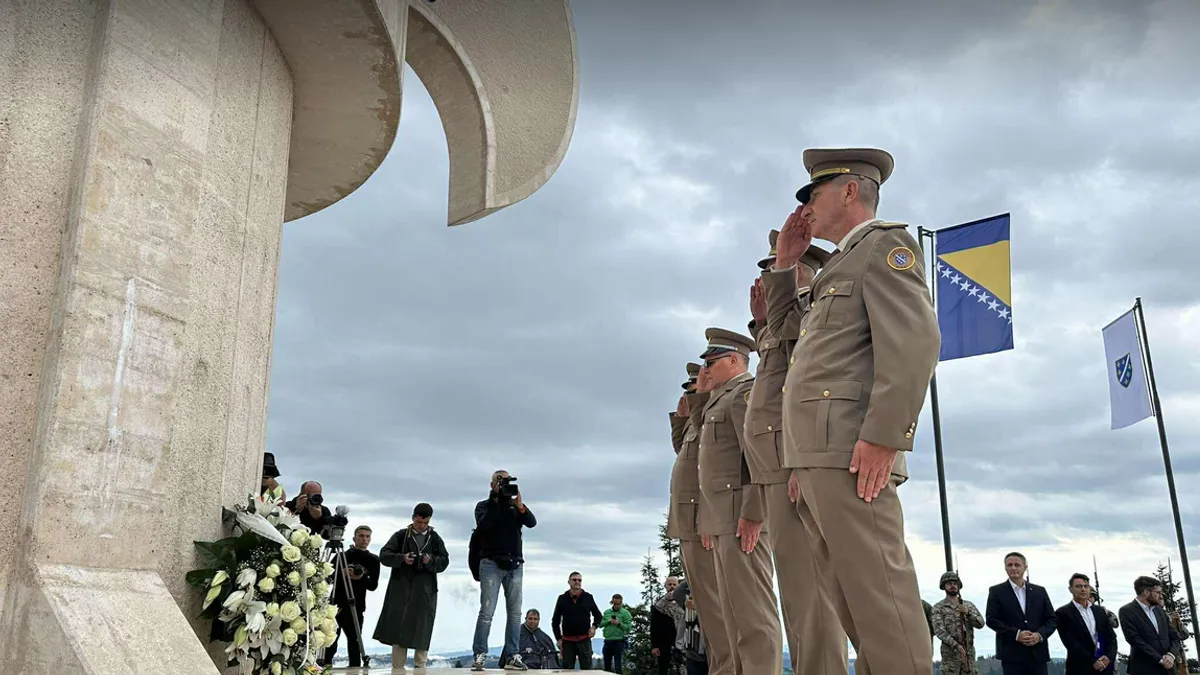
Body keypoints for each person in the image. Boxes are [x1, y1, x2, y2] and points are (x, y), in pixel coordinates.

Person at [777, 147, 939, 675]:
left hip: (853, 450)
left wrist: (885, 436)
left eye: (813, 194)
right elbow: (789, 339)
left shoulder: (884, 245)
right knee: (855, 606)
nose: (805, 208)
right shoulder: (836, 267)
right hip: (819, 455)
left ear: (849, 191)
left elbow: (915, 341)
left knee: (882, 602)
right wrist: (785, 265)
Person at [749, 228, 847, 675]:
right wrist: (761, 324)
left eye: (778, 266)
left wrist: (797, 463)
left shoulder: (811, 310)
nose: (770, 276)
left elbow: (800, 392)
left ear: (802, 270)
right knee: (797, 595)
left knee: (813, 595)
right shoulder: (786, 320)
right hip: (778, 467)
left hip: (796, 464)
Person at [695, 327, 782, 674]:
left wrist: (754, 513)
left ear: (734, 361)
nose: (706, 370)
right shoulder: (720, 399)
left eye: (712, 363)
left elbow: (756, 456)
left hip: (740, 519)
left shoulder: (743, 393)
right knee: (733, 617)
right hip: (722, 519)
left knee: (753, 615)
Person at [667, 364, 733, 674]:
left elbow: (711, 471)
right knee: (708, 611)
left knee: (717, 610)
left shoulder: (713, 413)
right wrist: (681, 419)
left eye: (693, 387)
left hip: (704, 521)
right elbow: (682, 452)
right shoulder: (698, 419)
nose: (689, 392)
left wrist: (708, 517)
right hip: (689, 521)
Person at [471, 470, 537, 671]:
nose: (505, 487)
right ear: (492, 485)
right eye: (501, 483)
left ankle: (512, 655)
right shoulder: (483, 506)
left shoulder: (514, 507)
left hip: (515, 565)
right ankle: (480, 654)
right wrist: (496, 501)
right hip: (491, 563)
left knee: (515, 614)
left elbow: (532, 523)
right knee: (487, 612)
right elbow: (484, 526)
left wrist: (521, 507)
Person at [373, 503, 449, 670]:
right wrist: (402, 558)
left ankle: (421, 668)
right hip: (401, 589)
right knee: (399, 628)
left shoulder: (434, 538)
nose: (421, 526)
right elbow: (384, 555)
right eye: (418, 522)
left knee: (423, 627)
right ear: (413, 518)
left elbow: (444, 561)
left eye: (425, 523)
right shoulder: (401, 536)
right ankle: (397, 668)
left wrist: (430, 560)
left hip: (425, 590)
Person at [984, 552, 1058, 675]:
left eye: (1017, 565)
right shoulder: (996, 591)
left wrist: (1039, 635)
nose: (1013, 568)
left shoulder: (1039, 591)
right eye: (1009, 565)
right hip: (1012, 655)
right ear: (1005, 567)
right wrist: (1017, 634)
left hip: (1038, 654)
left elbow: (1052, 619)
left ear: (1025, 567)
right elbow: (991, 620)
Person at [323, 525, 380, 668]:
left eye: (367, 536)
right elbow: (327, 578)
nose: (364, 539)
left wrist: (360, 577)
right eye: (361, 536)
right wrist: (342, 574)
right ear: (354, 538)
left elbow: (373, 585)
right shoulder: (342, 556)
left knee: (355, 641)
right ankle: (325, 666)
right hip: (336, 604)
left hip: (357, 605)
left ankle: (355, 668)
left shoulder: (373, 560)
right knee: (330, 640)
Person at [1119, 575, 1183, 674]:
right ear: (1146, 592)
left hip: (1168, 669)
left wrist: (1171, 655)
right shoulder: (1127, 611)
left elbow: (1175, 636)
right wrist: (1160, 659)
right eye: (1158, 592)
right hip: (1144, 668)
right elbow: (1134, 639)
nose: (1160, 596)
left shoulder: (1159, 610)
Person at [1055, 573, 1117, 674]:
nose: (1083, 589)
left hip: (1104, 667)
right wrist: (1092, 661)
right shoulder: (1063, 613)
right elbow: (1071, 642)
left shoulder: (1100, 611)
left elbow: (1111, 637)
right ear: (1070, 589)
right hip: (1080, 667)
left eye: (1086, 586)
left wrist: (1108, 657)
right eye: (1078, 586)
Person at [931, 571, 984, 675]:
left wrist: (968, 613)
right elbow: (939, 631)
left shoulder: (968, 605)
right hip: (950, 660)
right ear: (944, 586)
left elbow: (980, 623)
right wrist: (956, 646)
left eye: (955, 584)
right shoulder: (938, 608)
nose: (953, 586)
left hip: (968, 660)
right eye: (949, 584)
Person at [551, 571, 602, 670]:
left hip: (584, 639)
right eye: (574, 580)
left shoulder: (588, 597)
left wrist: (594, 627)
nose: (577, 582)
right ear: (569, 582)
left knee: (587, 670)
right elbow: (555, 621)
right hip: (568, 641)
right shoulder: (562, 599)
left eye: (579, 580)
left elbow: (598, 616)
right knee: (567, 670)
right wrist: (558, 639)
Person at [672, 578, 708, 675]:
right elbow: (678, 593)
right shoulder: (687, 592)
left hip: (716, 650)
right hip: (694, 648)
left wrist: (700, 606)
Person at [651, 577, 684, 675]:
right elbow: (654, 625)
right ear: (665, 586)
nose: (672, 587)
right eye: (669, 584)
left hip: (682, 640)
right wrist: (655, 645)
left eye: (674, 584)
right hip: (664, 641)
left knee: (682, 668)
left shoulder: (684, 601)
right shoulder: (659, 604)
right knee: (663, 668)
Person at [600, 594, 633, 672]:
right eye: (614, 604)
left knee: (618, 665)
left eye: (618, 604)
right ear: (612, 602)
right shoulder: (607, 612)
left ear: (621, 603)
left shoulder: (625, 613)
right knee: (607, 665)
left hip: (619, 641)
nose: (616, 606)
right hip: (607, 641)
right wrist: (608, 621)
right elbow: (600, 624)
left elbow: (628, 628)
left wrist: (619, 624)